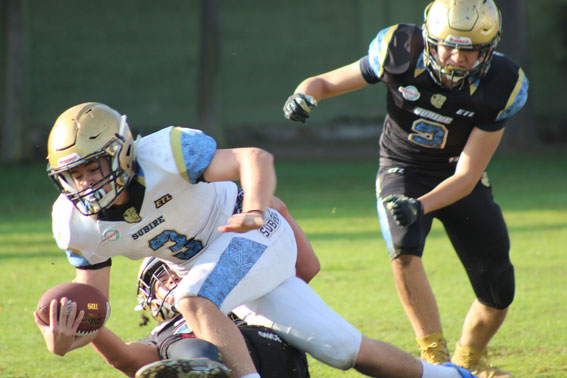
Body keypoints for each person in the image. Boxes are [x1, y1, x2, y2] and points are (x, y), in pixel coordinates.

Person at [38, 101, 481, 378]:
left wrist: (254, 208)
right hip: (218, 277)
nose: (86, 184)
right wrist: (74, 335)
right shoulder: (77, 223)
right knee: (349, 351)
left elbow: (255, 158)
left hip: (254, 233)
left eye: (93, 168)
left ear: (122, 151)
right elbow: (92, 305)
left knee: (193, 300)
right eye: (73, 175)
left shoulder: (166, 154)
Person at [283, 0, 528, 377]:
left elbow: (466, 175)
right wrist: (305, 94)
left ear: (489, 49)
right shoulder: (400, 50)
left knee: (498, 290)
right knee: (404, 250)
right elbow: (328, 81)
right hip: (403, 167)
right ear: (430, 39)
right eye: (450, 46)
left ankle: (469, 361)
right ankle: (435, 360)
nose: (458, 58)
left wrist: (422, 205)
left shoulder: (503, 82)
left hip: (458, 177)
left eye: (471, 50)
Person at [35, 256, 310, 378]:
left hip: (274, 355)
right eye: (164, 279)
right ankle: (199, 369)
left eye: (181, 275)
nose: (175, 281)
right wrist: (84, 325)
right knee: (184, 344)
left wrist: (276, 212)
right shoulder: (163, 334)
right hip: (191, 348)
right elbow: (126, 359)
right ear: (148, 298)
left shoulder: (244, 298)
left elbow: (304, 269)